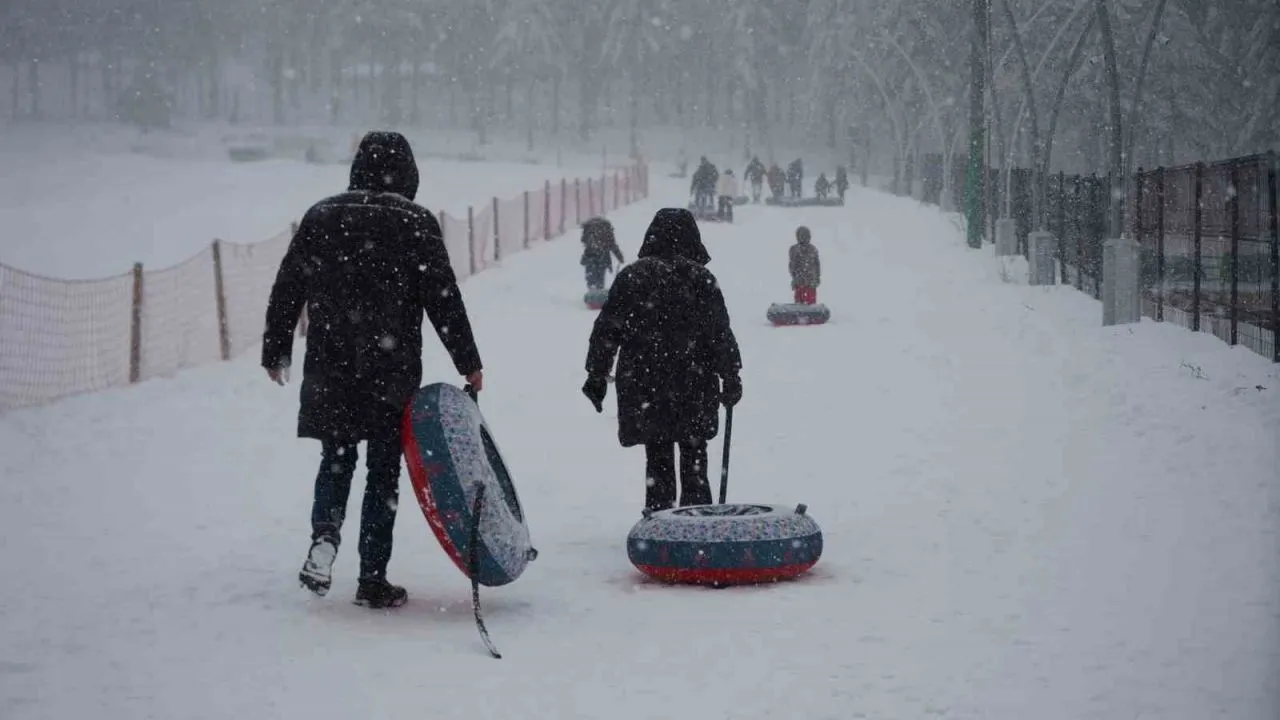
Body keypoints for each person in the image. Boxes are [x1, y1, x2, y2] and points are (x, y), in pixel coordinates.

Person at [262, 130, 484, 609]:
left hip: (331, 364)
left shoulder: (322, 215)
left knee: (337, 458)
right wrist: (469, 361)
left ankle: (325, 537)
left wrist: (276, 348)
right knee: (383, 472)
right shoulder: (415, 222)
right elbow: (443, 298)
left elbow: (288, 286)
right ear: (408, 173)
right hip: (391, 369)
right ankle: (371, 578)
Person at [582, 208, 743, 513]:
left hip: (646, 383)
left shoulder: (632, 277)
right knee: (695, 456)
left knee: (657, 455)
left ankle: (660, 518)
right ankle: (698, 518)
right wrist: (731, 376)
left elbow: (608, 329)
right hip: (694, 383)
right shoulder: (701, 279)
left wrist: (597, 374)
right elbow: (720, 333)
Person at [581, 217, 625, 289]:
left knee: (591, 277)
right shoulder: (606, 229)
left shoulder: (588, 229)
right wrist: (620, 257)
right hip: (603, 258)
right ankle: (599, 290)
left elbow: (583, 240)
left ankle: (592, 290)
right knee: (600, 278)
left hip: (589, 257)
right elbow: (612, 245)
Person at [789, 226, 821, 305]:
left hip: (810, 283)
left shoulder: (813, 249)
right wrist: (795, 278)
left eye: (805, 235)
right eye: (802, 235)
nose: (804, 238)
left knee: (809, 305)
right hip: (800, 282)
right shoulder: (794, 249)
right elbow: (792, 266)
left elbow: (817, 265)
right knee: (800, 305)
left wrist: (817, 278)